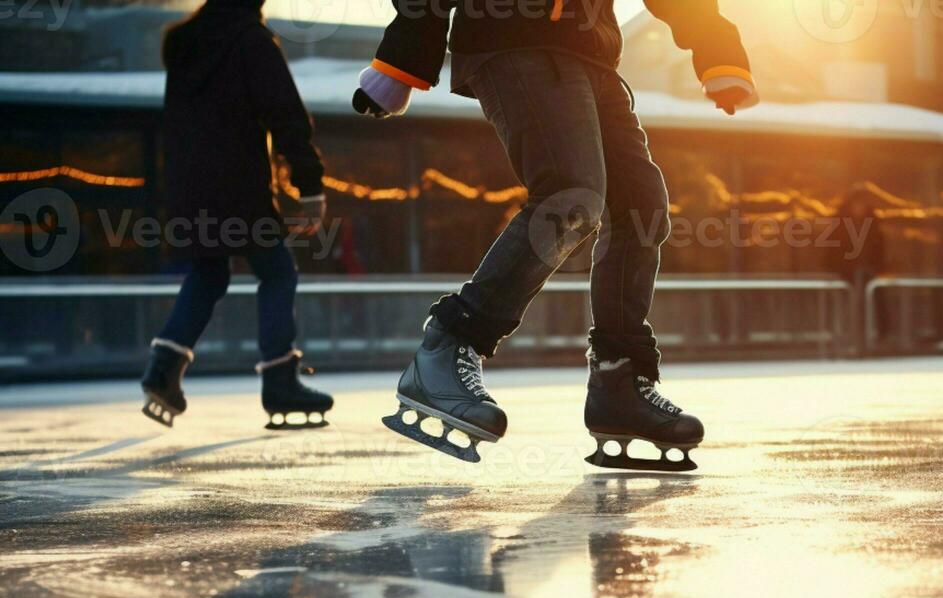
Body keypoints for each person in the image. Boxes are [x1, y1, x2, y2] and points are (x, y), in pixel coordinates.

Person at [355, 0, 759, 469]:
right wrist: (403, 56)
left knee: (639, 209)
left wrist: (716, 44)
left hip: (592, 52)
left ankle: (619, 383)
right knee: (572, 194)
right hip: (512, 37)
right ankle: (448, 344)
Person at [140, 0, 334, 429]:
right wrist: (310, 184)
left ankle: (163, 368)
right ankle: (280, 381)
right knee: (278, 271)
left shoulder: (185, 45)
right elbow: (285, 114)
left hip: (189, 187)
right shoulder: (251, 41)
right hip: (239, 186)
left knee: (209, 275)